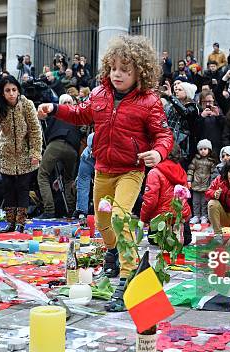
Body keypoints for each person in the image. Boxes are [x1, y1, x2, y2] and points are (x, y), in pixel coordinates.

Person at [37, 35, 173, 312]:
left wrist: (158, 153)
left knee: (121, 218)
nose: (118, 74)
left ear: (140, 72)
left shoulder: (149, 101)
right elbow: (80, 113)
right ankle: (112, 252)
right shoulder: (99, 94)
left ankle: (128, 276)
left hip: (130, 171)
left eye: (125, 69)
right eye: (114, 68)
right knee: (102, 222)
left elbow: (163, 134)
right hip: (103, 168)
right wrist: (55, 109)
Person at [0, 75, 42, 232]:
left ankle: (20, 223)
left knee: (23, 188)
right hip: (5, 154)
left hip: (25, 153)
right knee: (8, 189)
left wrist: (35, 153)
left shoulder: (27, 105)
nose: (11, 93)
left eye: (14, 89)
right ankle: (10, 223)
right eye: (7, 90)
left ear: (18, 90)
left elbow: (35, 130)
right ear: (2, 93)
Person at [36, 94, 80, 218]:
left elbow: (41, 118)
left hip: (56, 143)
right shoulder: (77, 115)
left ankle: (49, 210)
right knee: (68, 179)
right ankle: (71, 210)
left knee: (42, 175)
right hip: (72, 149)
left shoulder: (56, 112)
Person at [141, 143, 192, 245]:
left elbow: (150, 200)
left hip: (161, 224)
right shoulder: (181, 171)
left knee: (153, 240)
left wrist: (144, 219)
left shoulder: (154, 173)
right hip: (181, 222)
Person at [163, 81, 199, 167]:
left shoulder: (193, 107)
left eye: (180, 89)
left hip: (182, 145)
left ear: (187, 93)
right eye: (176, 89)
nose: (176, 91)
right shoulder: (170, 105)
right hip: (168, 141)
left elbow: (185, 112)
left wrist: (171, 96)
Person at [187, 139, 215, 224]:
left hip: (206, 185)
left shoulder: (211, 161)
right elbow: (190, 170)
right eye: (201, 149)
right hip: (196, 184)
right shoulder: (195, 160)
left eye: (205, 149)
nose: (203, 151)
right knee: (195, 202)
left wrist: (212, 184)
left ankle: (204, 216)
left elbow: (213, 173)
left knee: (204, 202)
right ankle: (196, 216)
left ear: (209, 150)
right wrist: (189, 180)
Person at [196, 90, 224, 161]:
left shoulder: (218, 111)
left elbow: (224, 126)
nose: (208, 104)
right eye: (205, 102)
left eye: (210, 101)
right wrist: (202, 117)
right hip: (202, 148)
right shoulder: (197, 112)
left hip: (216, 147)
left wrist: (218, 116)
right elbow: (194, 129)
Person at [72, 132, 95, 219]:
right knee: (82, 183)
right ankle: (81, 211)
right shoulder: (86, 155)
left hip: (104, 158)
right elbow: (82, 183)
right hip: (87, 159)